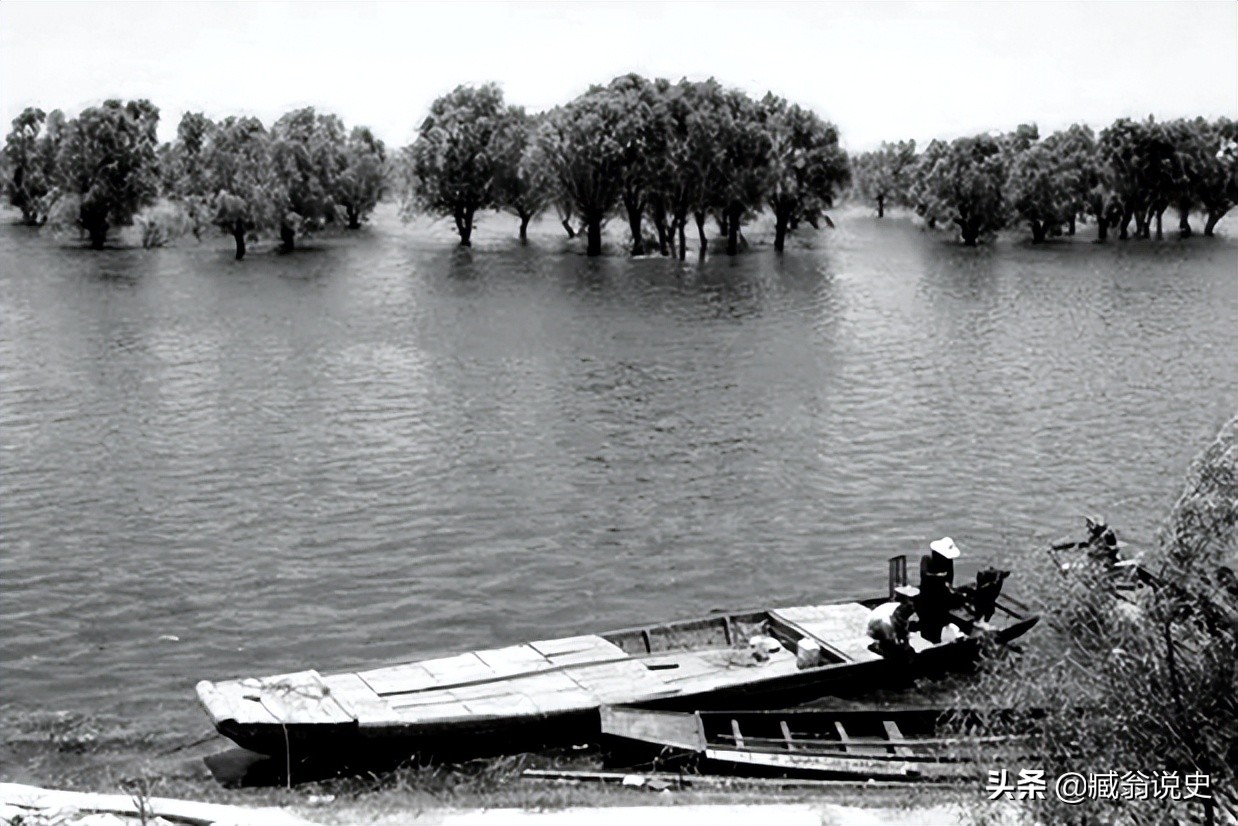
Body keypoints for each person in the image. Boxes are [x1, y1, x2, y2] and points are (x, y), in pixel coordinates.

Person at [918, 537, 960, 643]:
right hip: (929, 599)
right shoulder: (927, 562)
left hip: (941, 598)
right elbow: (928, 577)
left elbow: (948, 582)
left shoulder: (948, 565)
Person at [866, 585, 919, 659]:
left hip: (884, 624)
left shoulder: (903, 609)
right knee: (892, 649)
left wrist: (906, 643)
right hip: (876, 627)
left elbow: (903, 628)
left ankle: (887, 645)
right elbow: (898, 628)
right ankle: (880, 646)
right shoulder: (891, 617)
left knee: (901, 644)